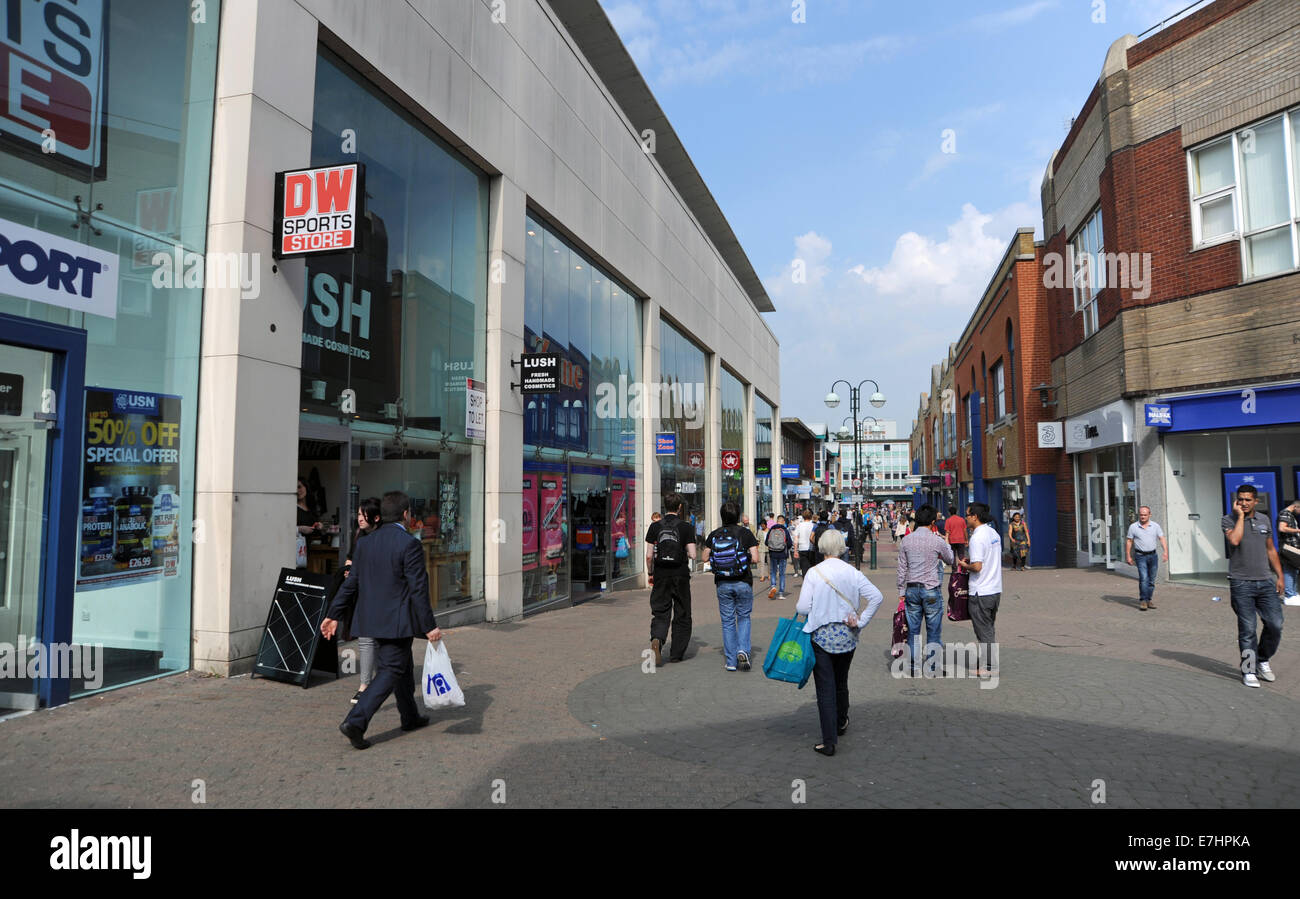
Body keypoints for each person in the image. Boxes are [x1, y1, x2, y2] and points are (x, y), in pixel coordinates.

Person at [322, 491, 441, 750]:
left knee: (402, 666)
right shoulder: (409, 544)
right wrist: (429, 626)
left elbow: (351, 583)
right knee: (391, 670)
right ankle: (356, 720)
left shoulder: (365, 543)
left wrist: (333, 614)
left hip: (371, 619)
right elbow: (418, 589)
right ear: (406, 514)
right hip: (396, 623)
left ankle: (410, 716)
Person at [796, 527, 884, 756]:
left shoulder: (814, 573)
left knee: (825, 688)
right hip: (847, 635)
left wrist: (819, 606)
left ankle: (829, 740)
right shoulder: (852, 572)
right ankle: (841, 720)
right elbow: (877, 596)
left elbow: (802, 608)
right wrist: (861, 620)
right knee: (841, 681)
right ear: (843, 547)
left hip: (821, 636)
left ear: (822, 547)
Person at [1221, 485, 1286, 687]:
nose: (1244, 503)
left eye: (1248, 499)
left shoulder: (1264, 520)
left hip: (1265, 582)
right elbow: (1235, 540)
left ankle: (1262, 660)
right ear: (1236, 500)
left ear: (1255, 501)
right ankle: (1248, 669)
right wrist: (1240, 517)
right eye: (1241, 499)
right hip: (1241, 583)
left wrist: (1280, 576)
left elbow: (1271, 550)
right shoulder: (1228, 519)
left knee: (1276, 624)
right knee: (1248, 629)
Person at [702, 502, 760, 671]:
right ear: (738, 516)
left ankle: (731, 661)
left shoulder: (714, 534)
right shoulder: (745, 533)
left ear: (722, 516)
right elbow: (755, 558)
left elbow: (705, 558)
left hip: (722, 583)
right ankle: (743, 650)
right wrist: (744, 558)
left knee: (727, 621)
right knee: (743, 617)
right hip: (743, 581)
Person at [897, 504, 954, 676]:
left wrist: (901, 592)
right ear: (932, 521)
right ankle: (932, 667)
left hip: (912, 589)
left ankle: (913, 668)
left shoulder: (906, 540)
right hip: (931, 589)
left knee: (913, 631)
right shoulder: (936, 540)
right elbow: (950, 559)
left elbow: (902, 568)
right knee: (934, 631)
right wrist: (946, 543)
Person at [339, 497, 383, 704]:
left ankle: (382, 680)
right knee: (366, 640)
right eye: (358, 514)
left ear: (376, 516)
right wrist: (348, 571)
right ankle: (365, 685)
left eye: (364, 514)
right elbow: (350, 559)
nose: (360, 519)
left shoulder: (383, 538)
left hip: (380, 596)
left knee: (381, 642)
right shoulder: (358, 536)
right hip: (362, 595)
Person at [645, 493, 697, 664]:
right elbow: (693, 554)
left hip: (661, 574)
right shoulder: (686, 527)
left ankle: (657, 639)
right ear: (680, 507)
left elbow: (648, 556)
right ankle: (676, 654)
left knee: (660, 611)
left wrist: (650, 573)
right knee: (682, 612)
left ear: (664, 506)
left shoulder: (655, 527)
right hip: (680, 574)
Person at [957, 502, 1001, 677]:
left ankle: (989, 667)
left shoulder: (977, 537)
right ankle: (987, 664)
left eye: (967, 515)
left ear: (975, 516)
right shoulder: (993, 533)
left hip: (980, 590)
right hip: (995, 588)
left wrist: (963, 565)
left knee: (983, 630)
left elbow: (977, 567)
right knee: (988, 627)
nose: (965, 518)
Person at [1125, 506, 1168, 611]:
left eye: (1145, 515)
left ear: (1150, 515)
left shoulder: (1155, 526)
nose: (1143, 517)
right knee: (1144, 578)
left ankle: (1149, 599)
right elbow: (1129, 541)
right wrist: (1128, 555)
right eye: (1141, 515)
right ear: (1138, 515)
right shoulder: (1133, 527)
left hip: (1153, 556)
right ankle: (1143, 600)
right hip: (1140, 556)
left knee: (1152, 580)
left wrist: (1165, 552)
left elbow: (1161, 538)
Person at [1278, 498, 1300, 605]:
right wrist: (1298, 530)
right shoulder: (1285, 514)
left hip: (1292, 547)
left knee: (1294, 570)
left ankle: (1293, 593)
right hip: (1288, 547)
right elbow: (1282, 528)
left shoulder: (1290, 515)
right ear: (1296, 506)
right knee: (1289, 570)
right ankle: (1289, 595)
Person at [766, 514, 793, 599]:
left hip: (773, 553)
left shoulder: (771, 530)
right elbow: (789, 543)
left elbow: (766, 542)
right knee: (782, 574)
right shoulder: (785, 530)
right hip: (782, 554)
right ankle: (781, 593)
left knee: (773, 571)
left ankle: (773, 586)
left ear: (777, 521)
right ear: (783, 522)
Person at [793, 511, 816, 579]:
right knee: (812, 568)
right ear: (811, 516)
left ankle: (806, 583)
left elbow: (796, 538)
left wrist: (795, 550)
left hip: (802, 548)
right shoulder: (813, 525)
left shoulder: (799, 525)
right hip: (812, 548)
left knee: (804, 568)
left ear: (803, 517)